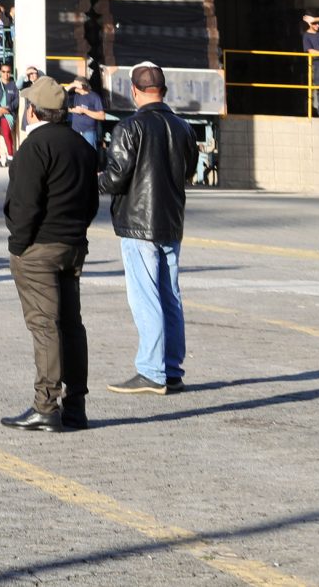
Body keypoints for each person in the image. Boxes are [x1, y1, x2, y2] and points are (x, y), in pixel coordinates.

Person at [2, 76, 97, 433]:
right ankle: (76, 407)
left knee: (45, 326)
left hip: (39, 248)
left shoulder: (34, 147)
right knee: (71, 326)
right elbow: (90, 203)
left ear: (33, 110)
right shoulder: (83, 147)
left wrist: (18, 245)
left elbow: (25, 205)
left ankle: (46, 405)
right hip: (73, 246)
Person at [100, 63, 192, 396]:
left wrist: (86, 181)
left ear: (134, 91)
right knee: (170, 296)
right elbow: (189, 170)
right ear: (164, 90)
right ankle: (171, 369)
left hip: (139, 222)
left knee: (146, 296)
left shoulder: (130, 127)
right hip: (171, 219)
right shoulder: (183, 127)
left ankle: (152, 371)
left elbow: (115, 176)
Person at [66, 67, 109, 152]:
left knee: (90, 154)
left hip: (89, 132)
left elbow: (102, 116)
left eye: (76, 85)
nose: (74, 87)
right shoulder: (75, 96)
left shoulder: (94, 96)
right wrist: (73, 110)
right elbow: (61, 93)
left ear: (82, 85)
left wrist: (84, 111)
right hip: (75, 131)